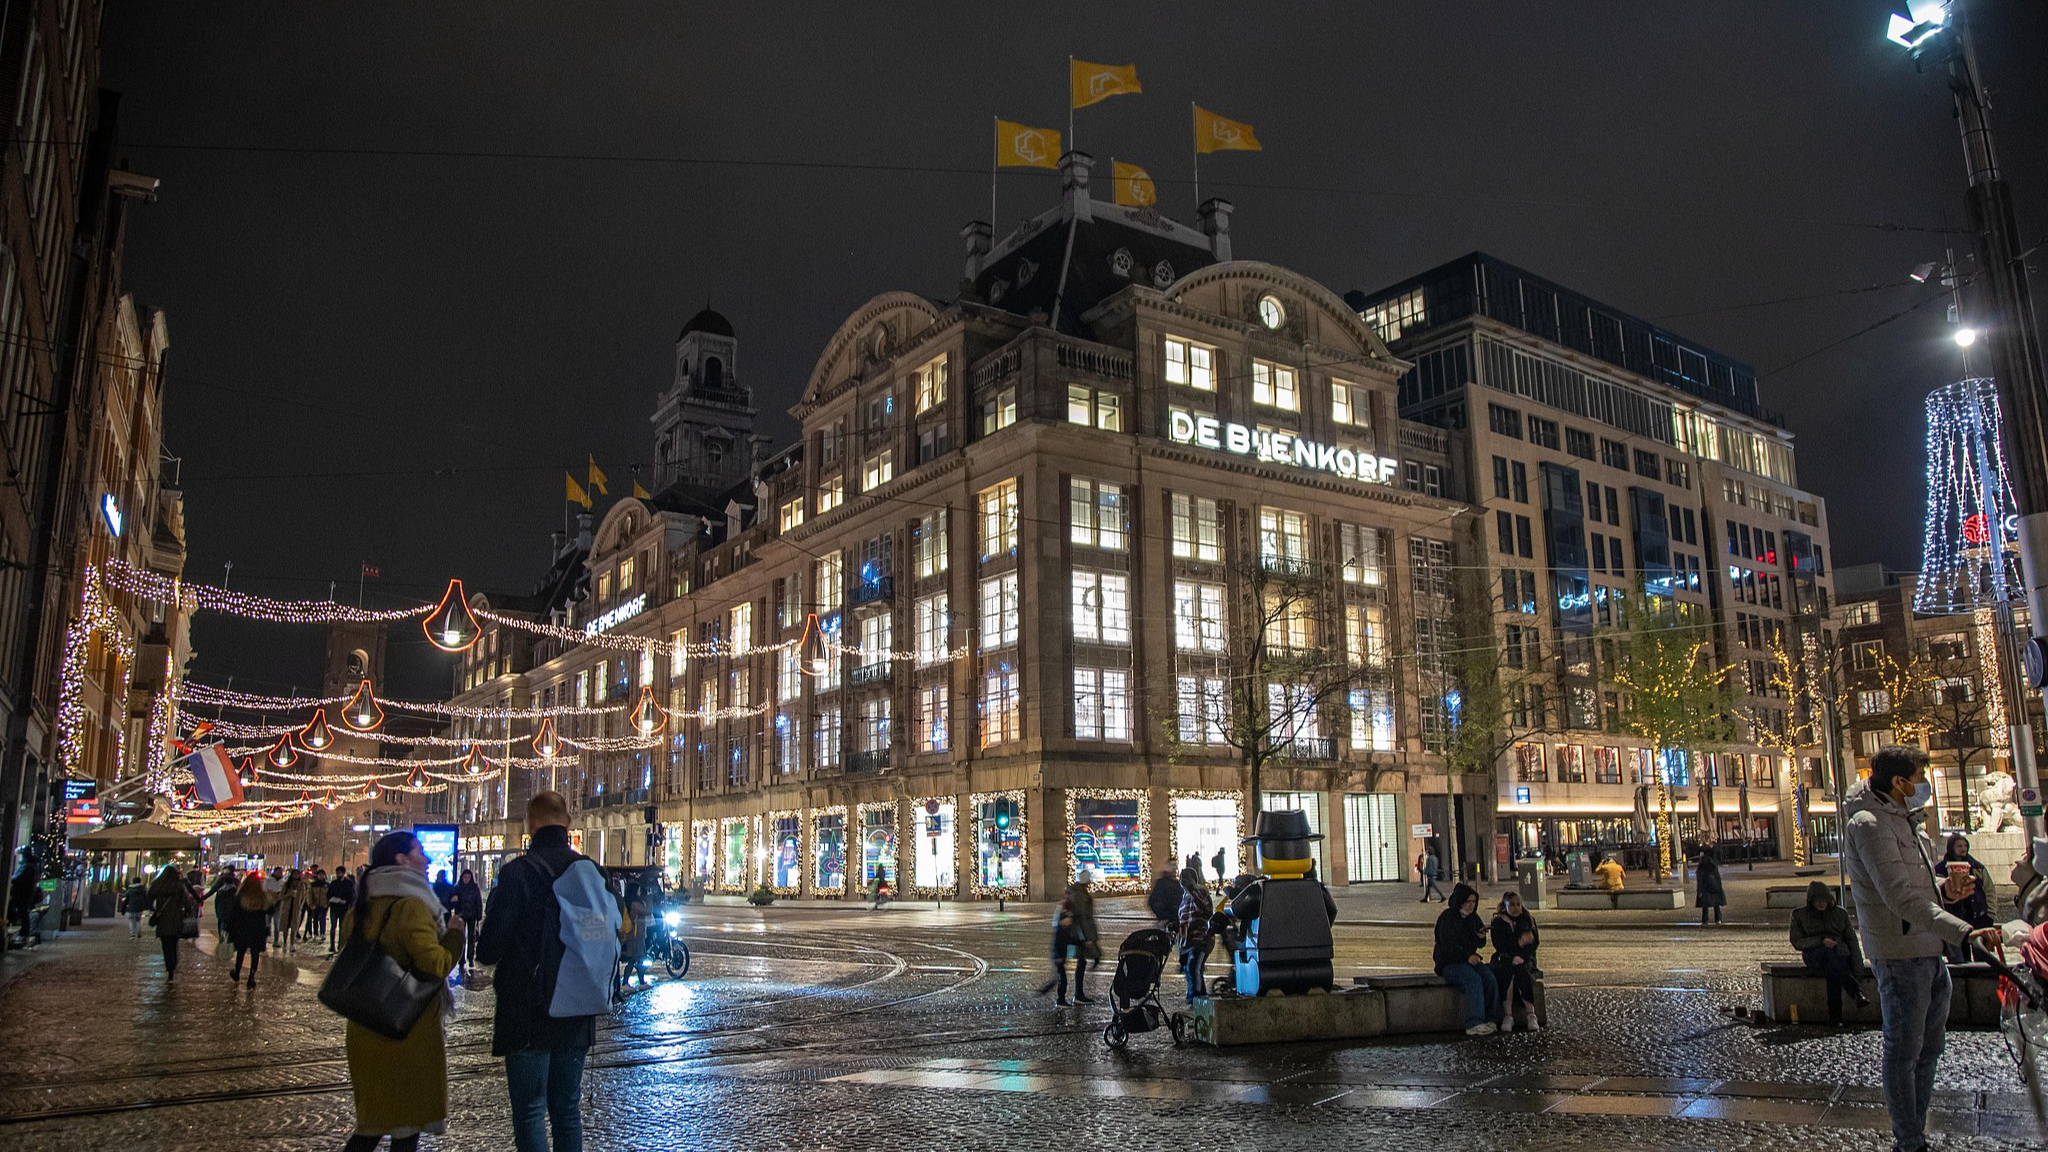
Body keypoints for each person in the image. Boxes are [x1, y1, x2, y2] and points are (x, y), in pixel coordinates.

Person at [1841, 745, 2002, 1152]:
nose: (1922, 785)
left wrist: (1946, 891)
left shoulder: (1907, 820)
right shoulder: (1869, 823)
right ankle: (1909, 1140)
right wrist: (1964, 932)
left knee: (1929, 1050)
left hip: (1929, 950)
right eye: (1918, 776)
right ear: (1899, 783)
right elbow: (1899, 898)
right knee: (1904, 1052)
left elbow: (1918, 891)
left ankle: (1915, 1131)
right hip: (1900, 953)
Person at [475, 792, 604, 1152]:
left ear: (529, 826)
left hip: (528, 1011)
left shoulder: (516, 874)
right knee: (567, 1110)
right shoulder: (591, 872)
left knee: (531, 1111)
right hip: (578, 1008)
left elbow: (488, 949)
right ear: (569, 824)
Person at [339, 831, 464, 1152]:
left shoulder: (361, 907)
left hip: (366, 1025)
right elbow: (435, 965)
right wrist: (454, 937)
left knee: (372, 1124)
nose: (427, 859)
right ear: (402, 860)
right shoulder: (412, 907)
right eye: (420, 851)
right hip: (406, 1031)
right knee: (405, 1131)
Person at [1788, 880, 1867, 1025]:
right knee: (1830, 955)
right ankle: (1855, 992)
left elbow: (1852, 942)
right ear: (1810, 901)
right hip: (1815, 955)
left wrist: (1857, 969)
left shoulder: (1840, 914)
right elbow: (1797, 942)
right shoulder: (1799, 915)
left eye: (1824, 900)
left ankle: (1835, 1018)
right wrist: (1821, 940)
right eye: (1817, 900)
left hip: (1839, 955)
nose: (1821, 904)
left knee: (1833, 968)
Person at [1433, 882, 1500, 1035]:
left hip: (1469, 960)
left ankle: (1492, 1019)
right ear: (1460, 901)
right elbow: (1448, 946)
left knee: (1489, 977)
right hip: (1449, 963)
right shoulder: (1447, 918)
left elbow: (1479, 943)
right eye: (1468, 902)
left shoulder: (1473, 918)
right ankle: (1474, 1022)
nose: (1471, 905)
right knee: (1473, 980)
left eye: (1473, 902)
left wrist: (1480, 937)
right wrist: (1467, 956)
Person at [1489, 891, 1541, 1033]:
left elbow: (1533, 943)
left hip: (1525, 958)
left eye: (1518, 904)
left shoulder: (1528, 919)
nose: (1516, 908)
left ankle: (1531, 1014)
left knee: (1522, 972)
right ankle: (1508, 1015)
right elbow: (1500, 945)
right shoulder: (1498, 922)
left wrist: (1522, 956)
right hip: (1505, 958)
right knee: (1507, 973)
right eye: (1511, 904)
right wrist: (1518, 943)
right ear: (1504, 905)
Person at [1938, 834, 1994, 962]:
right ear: (1951, 847)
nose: (1963, 849)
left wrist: (1990, 914)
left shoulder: (1977, 867)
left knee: (1982, 959)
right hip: (1955, 919)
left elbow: (1989, 889)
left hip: (1978, 918)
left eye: (1965, 846)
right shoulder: (1941, 868)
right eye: (1959, 846)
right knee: (1959, 960)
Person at [147, 864, 195, 981]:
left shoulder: (157, 885)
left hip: (163, 919)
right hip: (176, 919)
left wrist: (155, 910)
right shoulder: (178, 886)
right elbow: (187, 903)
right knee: (174, 942)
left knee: (166, 944)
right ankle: (173, 965)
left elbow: (148, 900)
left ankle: (170, 966)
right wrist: (187, 911)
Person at [227, 871, 272, 988]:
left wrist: (230, 928)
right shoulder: (262, 896)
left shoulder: (241, 895)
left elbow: (233, 913)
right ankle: (251, 977)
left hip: (243, 928)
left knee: (241, 952)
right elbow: (270, 910)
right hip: (257, 928)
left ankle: (237, 972)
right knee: (255, 953)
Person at [1176, 867, 1214, 1004]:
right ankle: (1196, 998)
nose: (1182, 880)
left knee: (1194, 967)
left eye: (1185, 877)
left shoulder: (1200, 891)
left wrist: (1192, 890)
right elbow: (1183, 920)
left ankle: (1198, 997)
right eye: (1181, 877)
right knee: (1189, 970)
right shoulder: (1184, 897)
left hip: (1201, 939)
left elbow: (1207, 910)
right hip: (1187, 941)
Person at [451, 869, 484, 973]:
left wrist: (479, 915)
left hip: (471, 915)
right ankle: (462, 959)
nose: (466, 879)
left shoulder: (474, 888)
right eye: (465, 877)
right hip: (462, 914)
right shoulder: (458, 888)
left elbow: (478, 902)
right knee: (462, 937)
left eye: (468, 877)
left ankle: (470, 957)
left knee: (471, 936)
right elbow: (455, 902)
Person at [203, 867, 240, 942]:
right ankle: (229, 936)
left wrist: (201, 898)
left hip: (221, 904)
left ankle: (221, 936)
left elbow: (212, 890)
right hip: (233, 906)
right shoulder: (236, 881)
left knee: (221, 920)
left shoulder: (222, 880)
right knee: (231, 920)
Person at [327, 865, 357, 951]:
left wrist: (346, 902)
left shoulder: (349, 883)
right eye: (337, 873)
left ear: (343, 873)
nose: (337, 874)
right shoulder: (333, 883)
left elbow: (352, 895)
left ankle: (341, 945)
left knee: (342, 927)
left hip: (344, 908)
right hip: (334, 908)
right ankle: (332, 945)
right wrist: (332, 900)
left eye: (339, 873)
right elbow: (329, 894)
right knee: (333, 927)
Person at [1695, 848, 1726, 925]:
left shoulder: (1702, 866)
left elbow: (1700, 877)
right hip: (1714, 886)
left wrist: (1699, 890)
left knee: (1705, 905)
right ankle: (1718, 919)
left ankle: (1705, 920)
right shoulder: (1713, 866)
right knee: (1716, 904)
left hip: (1705, 886)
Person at [307, 868, 330, 944]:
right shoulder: (313, 884)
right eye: (320, 874)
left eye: (323, 875)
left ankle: (322, 932)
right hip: (315, 904)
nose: (321, 876)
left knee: (322, 918)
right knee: (315, 919)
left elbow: (329, 895)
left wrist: (328, 904)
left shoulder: (327, 885)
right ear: (317, 875)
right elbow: (309, 894)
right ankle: (316, 933)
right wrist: (310, 904)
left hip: (324, 905)